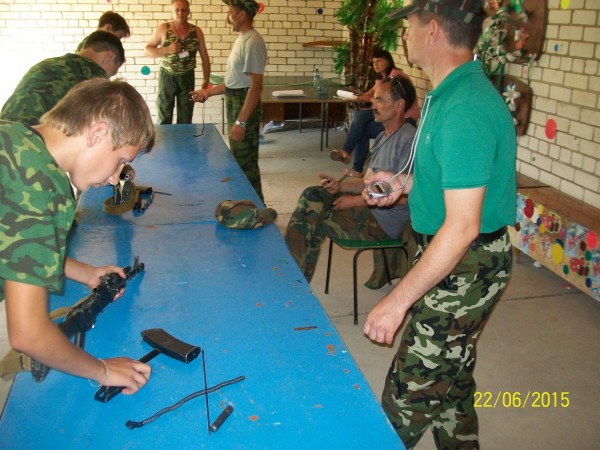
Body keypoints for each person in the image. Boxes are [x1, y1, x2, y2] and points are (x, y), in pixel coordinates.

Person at [361, 1, 517, 448]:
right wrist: (402, 184)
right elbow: (455, 186)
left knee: (406, 400)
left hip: (465, 266)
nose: (403, 37)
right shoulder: (447, 95)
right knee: (452, 384)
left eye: (408, 26)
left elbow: (463, 225)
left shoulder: (464, 107)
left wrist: (397, 300)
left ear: (432, 31)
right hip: (458, 258)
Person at [1, 78, 156, 392]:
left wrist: (86, 272)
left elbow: (14, 243)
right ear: (97, 133)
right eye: (121, 161)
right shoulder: (42, 184)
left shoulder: (15, 139)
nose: (116, 179)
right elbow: (28, 334)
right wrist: (102, 370)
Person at [284, 77, 417, 283]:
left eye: (379, 100)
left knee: (315, 219)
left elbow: (410, 196)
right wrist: (341, 186)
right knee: (313, 194)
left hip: (384, 222)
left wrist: (355, 201)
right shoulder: (383, 136)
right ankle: (292, 276)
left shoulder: (408, 140)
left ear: (399, 106)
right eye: (374, 99)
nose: (372, 104)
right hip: (369, 208)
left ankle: (290, 279)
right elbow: (367, 181)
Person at [190, 0, 267, 201]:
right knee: (238, 162)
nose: (227, 18)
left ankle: (257, 211)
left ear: (242, 15)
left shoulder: (253, 42)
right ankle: (247, 207)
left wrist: (241, 122)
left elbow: (255, 87)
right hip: (236, 102)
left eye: (230, 12)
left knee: (245, 165)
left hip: (243, 107)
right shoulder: (242, 39)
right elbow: (233, 84)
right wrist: (207, 92)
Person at [1, 31, 125, 126]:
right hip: (33, 148)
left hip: (6, 136)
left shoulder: (45, 64)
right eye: (112, 72)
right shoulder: (93, 79)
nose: (108, 77)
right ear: (109, 57)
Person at [330, 48, 420, 177]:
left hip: (406, 119)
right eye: (373, 62)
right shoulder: (382, 78)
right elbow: (373, 92)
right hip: (390, 113)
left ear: (388, 62)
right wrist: (363, 96)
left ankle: (347, 152)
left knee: (360, 116)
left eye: (379, 61)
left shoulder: (396, 78)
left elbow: (384, 100)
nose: (376, 65)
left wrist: (371, 99)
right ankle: (356, 168)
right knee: (362, 127)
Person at [145, 0, 211, 124]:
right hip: (167, 76)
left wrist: (206, 80)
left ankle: (183, 142)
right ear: (172, 11)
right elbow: (147, 50)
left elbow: (205, 57)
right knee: (164, 115)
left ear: (189, 12)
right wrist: (167, 49)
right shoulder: (164, 28)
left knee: (186, 117)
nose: (181, 13)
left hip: (187, 77)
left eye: (184, 10)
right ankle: (165, 143)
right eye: (177, 10)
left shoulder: (197, 31)